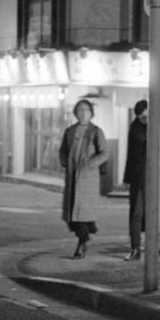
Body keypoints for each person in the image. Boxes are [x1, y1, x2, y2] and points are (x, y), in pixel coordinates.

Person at [122, 99, 160, 261]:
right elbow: (130, 155)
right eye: (141, 117)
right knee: (136, 213)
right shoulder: (134, 129)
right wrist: (127, 178)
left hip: (158, 176)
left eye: (147, 116)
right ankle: (135, 248)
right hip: (138, 177)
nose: (144, 119)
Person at [59, 99, 109, 259]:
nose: (82, 113)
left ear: (91, 113)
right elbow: (63, 151)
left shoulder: (96, 132)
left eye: (86, 110)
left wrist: (90, 164)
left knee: (81, 214)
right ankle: (87, 234)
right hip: (72, 177)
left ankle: (82, 242)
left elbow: (104, 153)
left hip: (88, 179)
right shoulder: (70, 131)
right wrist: (66, 163)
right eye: (79, 110)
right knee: (71, 215)